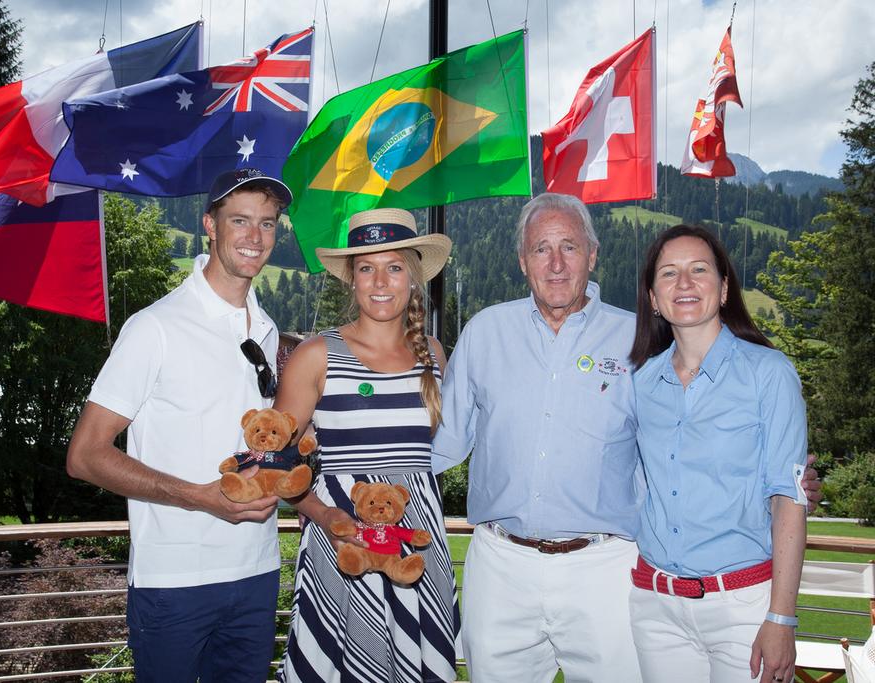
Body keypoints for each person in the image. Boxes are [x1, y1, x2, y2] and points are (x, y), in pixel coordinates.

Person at [430, 193, 821, 682]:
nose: (555, 264)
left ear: (593, 256)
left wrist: (788, 481)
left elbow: (692, 429)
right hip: (500, 562)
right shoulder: (485, 331)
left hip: (605, 566)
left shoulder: (640, 339)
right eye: (540, 249)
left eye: (569, 247)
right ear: (521, 261)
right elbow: (443, 441)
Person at [66, 168, 293, 682]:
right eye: (240, 221)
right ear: (210, 225)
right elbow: (84, 455)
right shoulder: (155, 328)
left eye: (268, 224)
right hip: (174, 582)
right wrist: (201, 496)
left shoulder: (268, 327)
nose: (255, 238)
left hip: (258, 573)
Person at [275, 208, 459, 683]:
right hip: (343, 537)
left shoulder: (433, 354)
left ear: (413, 279)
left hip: (418, 537)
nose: (381, 280)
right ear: (351, 280)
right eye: (366, 268)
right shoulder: (315, 355)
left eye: (394, 267)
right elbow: (275, 459)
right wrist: (322, 513)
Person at [627, 225, 807, 683]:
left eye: (699, 270)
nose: (684, 284)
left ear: (724, 287)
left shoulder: (770, 374)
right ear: (652, 297)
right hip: (657, 608)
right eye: (668, 274)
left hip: (743, 609)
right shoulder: (641, 382)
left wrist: (781, 619)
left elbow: (790, 498)